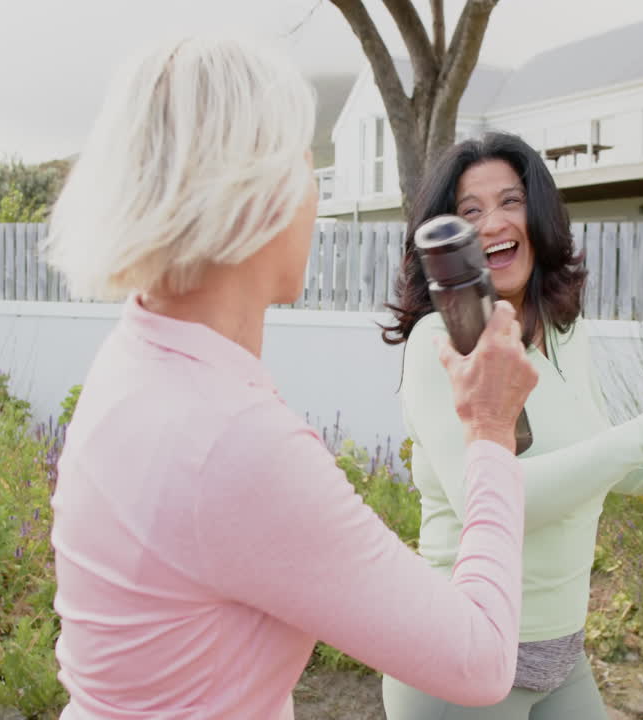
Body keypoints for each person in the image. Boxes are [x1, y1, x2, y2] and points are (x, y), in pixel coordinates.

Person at [41, 37, 543, 720]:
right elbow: (481, 661)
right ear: (253, 194)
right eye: (306, 163)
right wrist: (489, 431)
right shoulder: (232, 442)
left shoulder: (136, 358)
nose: (314, 192)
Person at [379, 131, 643, 719]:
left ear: (538, 214)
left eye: (510, 201)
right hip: (462, 657)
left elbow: (593, 460)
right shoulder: (445, 345)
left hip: (560, 650)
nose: (492, 224)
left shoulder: (566, 333)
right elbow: (494, 505)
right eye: (469, 211)